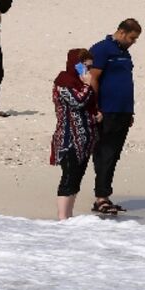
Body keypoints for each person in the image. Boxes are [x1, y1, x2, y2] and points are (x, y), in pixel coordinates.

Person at [87, 19, 142, 216]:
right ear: (121, 32)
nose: (133, 42)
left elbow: (126, 81)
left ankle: (104, 195)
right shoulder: (102, 49)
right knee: (105, 152)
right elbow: (92, 77)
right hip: (107, 110)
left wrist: (130, 111)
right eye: (132, 38)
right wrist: (95, 107)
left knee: (114, 154)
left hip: (123, 111)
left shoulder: (124, 53)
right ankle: (100, 197)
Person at [51, 49, 100, 220]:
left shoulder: (80, 84)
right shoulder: (63, 82)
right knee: (69, 177)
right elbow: (77, 101)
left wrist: (95, 114)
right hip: (68, 139)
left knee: (76, 179)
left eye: (88, 68)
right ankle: (62, 218)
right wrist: (87, 84)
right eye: (83, 67)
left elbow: (88, 105)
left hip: (85, 139)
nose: (86, 72)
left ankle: (68, 216)